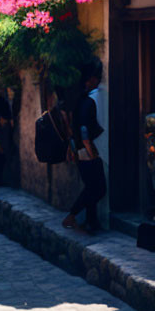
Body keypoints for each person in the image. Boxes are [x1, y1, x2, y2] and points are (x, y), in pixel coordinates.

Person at [63, 59, 107, 233]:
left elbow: (72, 128)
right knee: (99, 189)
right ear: (90, 80)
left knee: (91, 187)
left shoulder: (81, 101)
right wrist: (91, 152)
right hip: (87, 152)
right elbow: (83, 130)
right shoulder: (88, 102)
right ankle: (71, 216)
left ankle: (92, 222)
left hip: (80, 151)